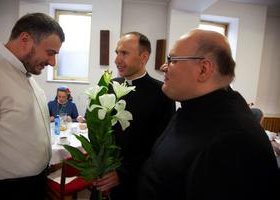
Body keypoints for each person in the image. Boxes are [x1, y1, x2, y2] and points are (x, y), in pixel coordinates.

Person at [137, 29, 279, 200]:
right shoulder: (194, 107)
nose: (163, 67)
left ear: (203, 69)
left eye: (172, 60)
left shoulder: (234, 141)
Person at [0, 13, 65, 199]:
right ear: (25, 39)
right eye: (50, 52)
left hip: (35, 183)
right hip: (6, 190)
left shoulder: (26, 75)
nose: (52, 62)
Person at [91, 32, 175, 200]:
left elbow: (161, 147)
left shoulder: (161, 93)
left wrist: (122, 173)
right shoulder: (108, 86)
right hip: (102, 178)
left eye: (124, 53)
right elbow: (97, 130)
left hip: (134, 184)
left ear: (143, 57)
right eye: (117, 53)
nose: (117, 60)